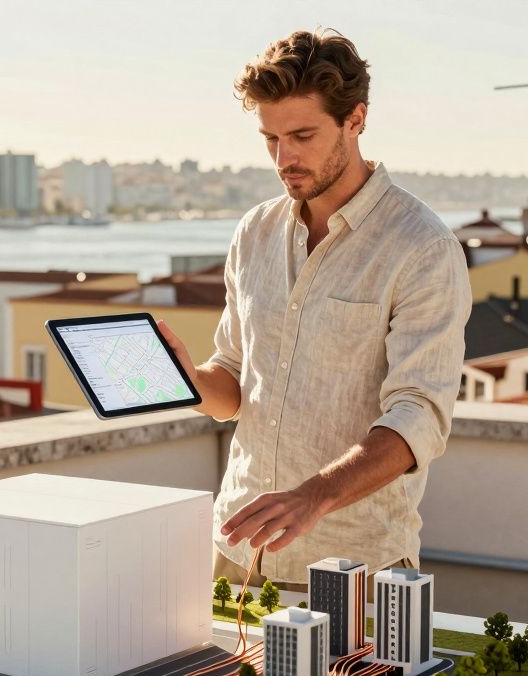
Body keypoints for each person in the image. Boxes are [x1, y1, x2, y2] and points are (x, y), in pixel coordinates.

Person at [157, 28, 471, 592]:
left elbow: (419, 417)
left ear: (356, 119)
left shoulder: (422, 247)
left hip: (355, 567)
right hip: (238, 552)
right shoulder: (255, 231)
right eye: (270, 139)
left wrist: (313, 497)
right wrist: (189, 378)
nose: (284, 158)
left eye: (302, 135)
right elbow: (233, 385)